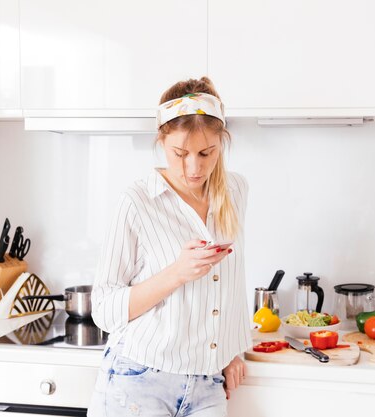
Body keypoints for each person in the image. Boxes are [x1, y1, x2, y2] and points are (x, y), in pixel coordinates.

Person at [88, 77, 252, 417]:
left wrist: (233, 351)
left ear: (222, 141)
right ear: (162, 141)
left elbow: (226, 286)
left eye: (207, 152)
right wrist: (177, 272)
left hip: (208, 386)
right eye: (181, 153)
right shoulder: (137, 201)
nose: (194, 168)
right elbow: (104, 310)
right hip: (139, 380)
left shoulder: (235, 191)